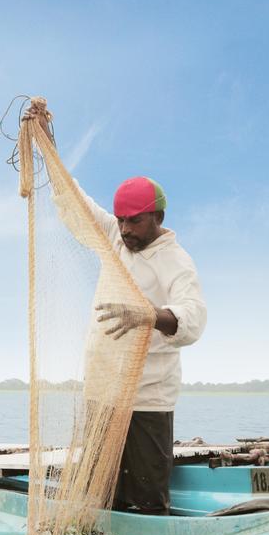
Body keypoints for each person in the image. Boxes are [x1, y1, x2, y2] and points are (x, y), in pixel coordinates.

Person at [87, 176, 207, 515]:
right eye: (121, 219)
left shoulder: (176, 261)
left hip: (147, 397)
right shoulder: (116, 238)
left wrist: (149, 315)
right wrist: (46, 148)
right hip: (103, 392)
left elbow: (194, 317)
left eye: (135, 220)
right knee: (98, 490)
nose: (126, 229)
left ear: (158, 218)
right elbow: (80, 207)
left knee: (145, 497)